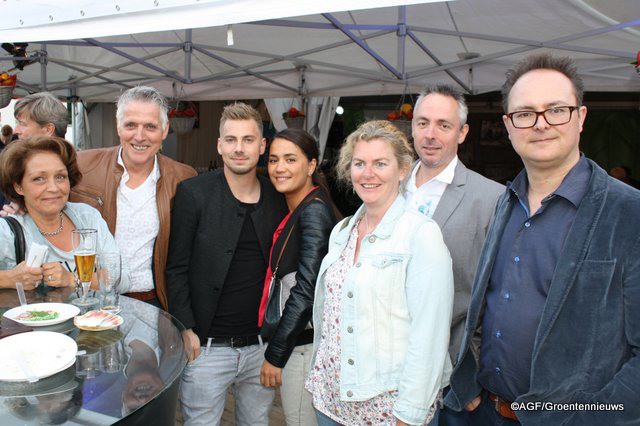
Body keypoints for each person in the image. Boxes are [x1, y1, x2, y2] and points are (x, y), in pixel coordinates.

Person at [445, 53, 640, 425]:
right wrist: (470, 388)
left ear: (581, 117)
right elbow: (487, 308)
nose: (541, 123)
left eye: (556, 110)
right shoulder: (505, 202)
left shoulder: (629, 213)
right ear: (508, 125)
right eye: (525, 113)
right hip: (485, 411)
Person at [305, 120, 454, 426]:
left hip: (387, 410)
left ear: (402, 170)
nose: (368, 173)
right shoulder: (342, 231)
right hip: (329, 403)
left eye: (380, 163)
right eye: (359, 163)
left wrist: (409, 414)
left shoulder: (421, 235)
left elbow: (430, 335)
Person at [166, 102, 288, 425]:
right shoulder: (193, 193)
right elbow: (176, 266)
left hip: (260, 349)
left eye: (248, 140)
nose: (239, 148)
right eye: (231, 140)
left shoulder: (277, 197)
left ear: (262, 146)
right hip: (207, 348)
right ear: (219, 145)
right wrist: (186, 328)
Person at [406, 85, 504, 425]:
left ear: (462, 133)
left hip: (452, 379)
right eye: (423, 123)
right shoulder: (387, 186)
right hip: (387, 368)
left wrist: (472, 374)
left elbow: (496, 293)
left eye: (443, 125)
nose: (430, 134)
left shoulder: (491, 199)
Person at [69, 86, 196, 308]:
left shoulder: (183, 177)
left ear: (165, 129)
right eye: (131, 125)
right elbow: (48, 197)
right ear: (118, 126)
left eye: (150, 126)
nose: (139, 136)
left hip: (154, 302)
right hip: (91, 298)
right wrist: (22, 205)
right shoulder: (81, 166)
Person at [258, 129, 340, 425]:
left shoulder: (313, 211)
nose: (279, 167)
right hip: (298, 343)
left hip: (302, 347)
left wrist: (275, 354)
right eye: (273, 160)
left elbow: (306, 291)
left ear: (311, 165)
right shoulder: (300, 206)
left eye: (290, 159)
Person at [0, 136, 120, 290]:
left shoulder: (87, 216)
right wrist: (8, 279)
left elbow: (121, 278)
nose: (54, 188)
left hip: (94, 307)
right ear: (19, 187)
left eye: (60, 177)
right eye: (39, 179)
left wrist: (71, 278)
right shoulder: (7, 232)